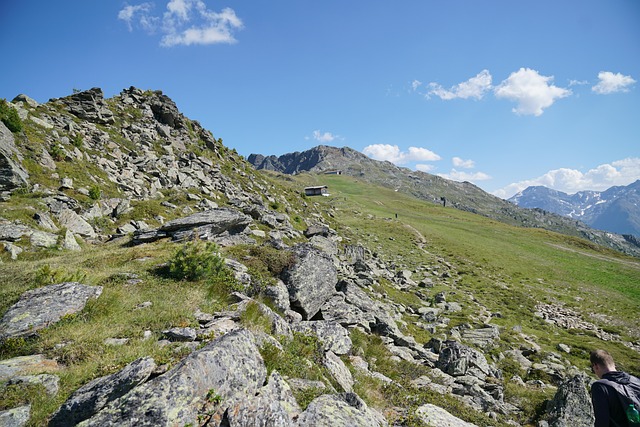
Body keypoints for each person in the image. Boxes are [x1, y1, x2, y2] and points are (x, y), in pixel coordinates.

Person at [590, 349, 640, 427]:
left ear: (596, 366)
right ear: (613, 364)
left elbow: (602, 421)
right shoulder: (636, 381)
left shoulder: (600, 386)